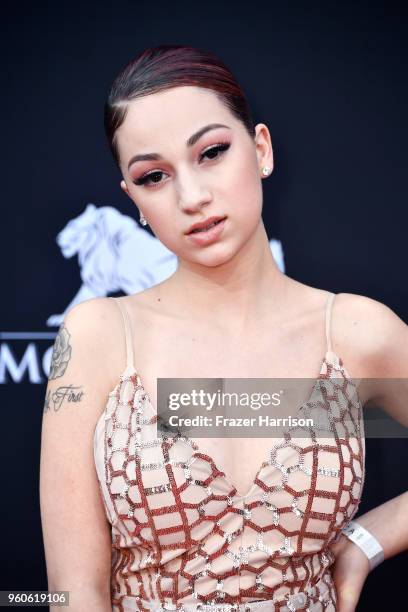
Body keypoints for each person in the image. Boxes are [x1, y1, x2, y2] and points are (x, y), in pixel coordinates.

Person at [40, 44, 408, 612]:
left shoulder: (356, 333)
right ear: (133, 199)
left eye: (211, 152)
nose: (192, 197)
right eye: (154, 175)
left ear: (260, 149)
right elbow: (71, 594)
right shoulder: (98, 337)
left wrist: (366, 541)